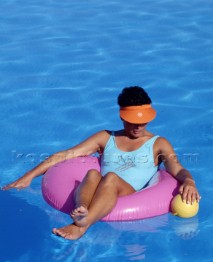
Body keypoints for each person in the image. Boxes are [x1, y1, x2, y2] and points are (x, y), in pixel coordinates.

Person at [2, 86, 201, 240]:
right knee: (92, 174)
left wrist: (189, 182)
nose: (139, 125)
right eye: (133, 120)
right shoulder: (106, 138)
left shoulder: (158, 143)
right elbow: (65, 155)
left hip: (129, 193)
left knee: (111, 178)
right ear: (122, 116)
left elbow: (177, 169)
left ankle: (82, 225)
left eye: (144, 120)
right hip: (100, 188)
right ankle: (81, 210)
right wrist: (27, 177)